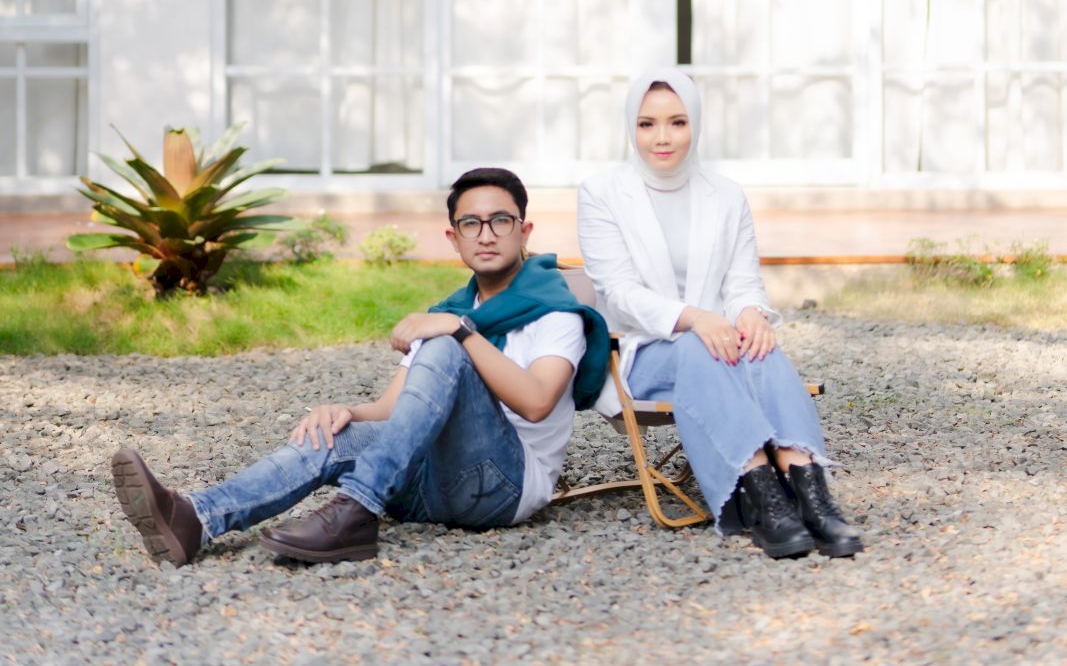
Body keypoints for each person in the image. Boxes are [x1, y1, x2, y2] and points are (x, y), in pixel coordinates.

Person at [111, 166, 609, 567]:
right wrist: (345, 413)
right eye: (470, 224)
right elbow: (395, 410)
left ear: (524, 231)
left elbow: (538, 402)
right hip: (428, 483)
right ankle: (195, 518)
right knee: (333, 436)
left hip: (502, 488)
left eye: (500, 221)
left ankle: (358, 507)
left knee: (444, 345)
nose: (486, 234)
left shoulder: (554, 311)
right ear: (453, 238)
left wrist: (461, 333)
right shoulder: (452, 314)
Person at [578, 70, 863, 560]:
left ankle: (812, 496)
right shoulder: (602, 192)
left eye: (677, 122)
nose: (662, 137)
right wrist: (695, 318)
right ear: (631, 126)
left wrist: (750, 313)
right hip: (644, 355)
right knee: (700, 345)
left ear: (696, 123)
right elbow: (619, 293)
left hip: (722, 347)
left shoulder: (725, 194)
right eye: (647, 124)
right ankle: (761, 495)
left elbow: (742, 281)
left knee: (761, 344)